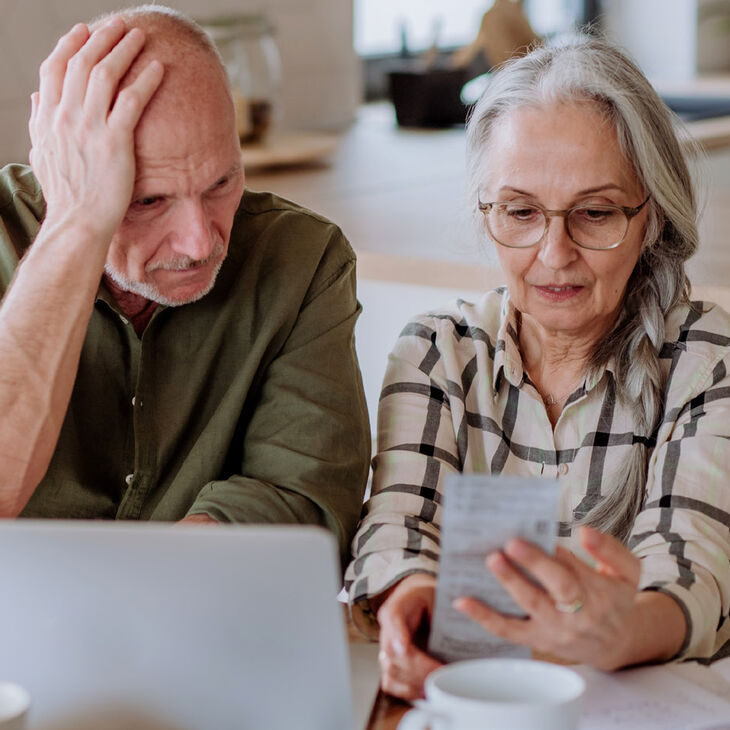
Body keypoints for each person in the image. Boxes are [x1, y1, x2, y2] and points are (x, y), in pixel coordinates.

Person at [345, 36, 730, 698]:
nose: (554, 254)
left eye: (595, 212)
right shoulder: (436, 353)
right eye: (521, 212)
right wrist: (410, 599)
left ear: (651, 217)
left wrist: (621, 628)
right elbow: (395, 529)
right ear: (485, 211)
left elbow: (694, 572)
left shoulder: (706, 360)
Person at [0, 5, 370, 565]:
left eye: (222, 182)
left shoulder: (303, 261)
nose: (200, 244)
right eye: (147, 200)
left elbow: (306, 508)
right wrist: (76, 225)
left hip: (206, 629)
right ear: (62, 170)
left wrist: (125, 591)